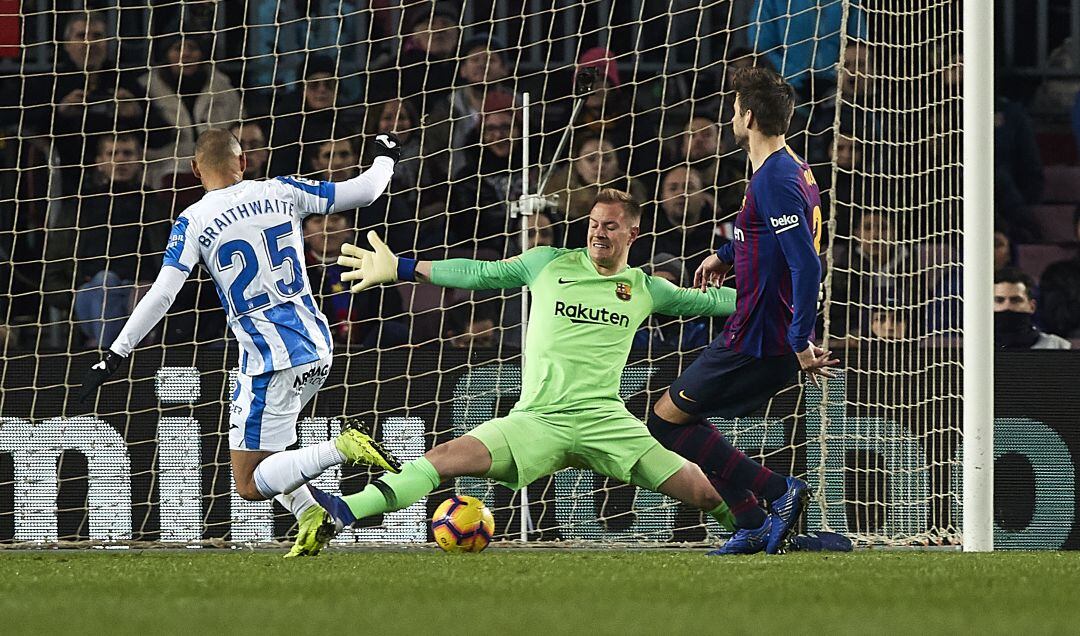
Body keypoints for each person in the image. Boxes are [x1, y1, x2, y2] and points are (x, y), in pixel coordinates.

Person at [288, 189, 741, 556]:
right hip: (537, 420)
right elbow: (480, 273)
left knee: (705, 493)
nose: (599, 233)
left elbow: (719, 303)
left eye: (610, 226)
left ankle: (760, 529)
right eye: (593, 224)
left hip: (607, 422)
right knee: (444, 457)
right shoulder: (548, 263)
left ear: (632, 233)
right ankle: (341, 512)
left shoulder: (645, 288)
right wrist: (404, 268)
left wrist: (788, 308)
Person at [78, 128, 405, 556]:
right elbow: (365, 191)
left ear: (195, 169)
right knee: (274, 453)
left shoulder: (193, 219)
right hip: (318, 344)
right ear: (244, 162)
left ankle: (342, 447)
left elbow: (162, 293)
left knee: (249, 483)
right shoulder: (283, 190)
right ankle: (310, 514)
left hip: (271, 358)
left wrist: (116, 352)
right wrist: (387, 157)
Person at [644, 67, 838, 555]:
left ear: (748, 116)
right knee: (686, 419)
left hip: (760, 333)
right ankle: (751, 521)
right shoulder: (790, 164)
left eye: (734, 107)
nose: (731, 114)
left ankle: (776, 493)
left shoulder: (773, 178)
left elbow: (806, 263)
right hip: (758, 325)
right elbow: (768, 236)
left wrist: (799, 342)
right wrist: (725, 255)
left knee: (667, 423)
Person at [994, 267, 1071, 350]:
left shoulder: (1057, 346)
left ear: (1032, 306)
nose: (1007, 306)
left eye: (1016, 300)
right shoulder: (978, 346)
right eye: (999, 300)